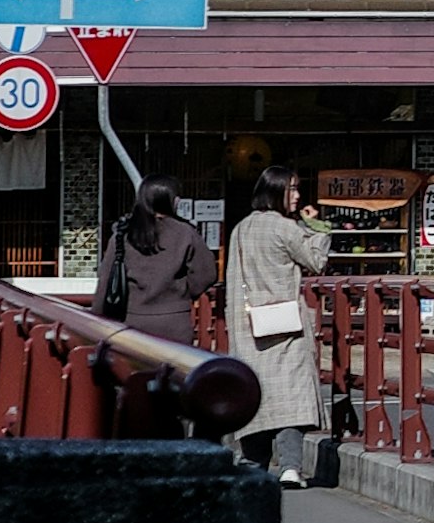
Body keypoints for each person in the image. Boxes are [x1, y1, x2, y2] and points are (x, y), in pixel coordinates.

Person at [222, 167, 337, 484]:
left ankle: (253, 463)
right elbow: (315, 261)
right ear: (276, 192)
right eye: (293, 189)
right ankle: (290, 467)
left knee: (255, 397)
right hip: (285, 324)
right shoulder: (285, 228)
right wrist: (317, 225)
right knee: (292, 398)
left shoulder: (241, 230)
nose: (298, 196)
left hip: (249, 326)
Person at [99, 180, 217, 349]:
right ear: (170, 200)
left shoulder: (123, 233)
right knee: (174, 373)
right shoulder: (185, 232)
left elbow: (106, 279)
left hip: (131, 320)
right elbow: (206, 274)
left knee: (135, 373)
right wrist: (185, 292)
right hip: (175, 321)